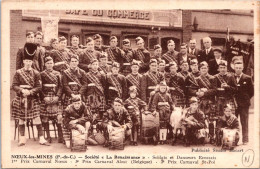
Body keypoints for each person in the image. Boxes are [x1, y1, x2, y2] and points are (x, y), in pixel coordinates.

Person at [12, 43, 49, 146]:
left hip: (33, 98)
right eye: (26, 61)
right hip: (20, 97)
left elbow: (39, 87)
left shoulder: (36, 73)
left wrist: (31, 92)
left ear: (32, 62)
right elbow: (14, 85)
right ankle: (22, 138)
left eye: (30, 61)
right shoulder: (18, 72)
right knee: (21, 118)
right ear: (23, 62)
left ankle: (41, 138)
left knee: (37, 117)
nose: (28, 63)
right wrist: (21, 90)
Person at [40, 56, 63, 143]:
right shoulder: (41, 74)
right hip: (46, 97)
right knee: (45, 117)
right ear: (45, 64)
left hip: (55, 96)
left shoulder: (57, 73)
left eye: (51, 63)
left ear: (53, 64)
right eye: (48, 63)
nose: (50, 65)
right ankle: (48, 136)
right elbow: (40, 87)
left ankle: (60, 136)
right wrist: (44, 97)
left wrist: (57, 96)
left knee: (59, 116)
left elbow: (61, 86)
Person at [233, 61, 254, 145]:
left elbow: (251, 92)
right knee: (233, 122)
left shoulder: (247, 78)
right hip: (234, 103)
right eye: (236, 68)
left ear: (242, 68)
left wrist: (245, 99)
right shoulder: (231, 77)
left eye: (240, 68)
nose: (238, 69)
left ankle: (245, 139)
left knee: (244, 121)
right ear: (234, 68)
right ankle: (234, 139)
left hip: (244, 104)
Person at [196, 61, 217, 143]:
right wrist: (197, 92)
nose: (204, 69)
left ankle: (212, 137)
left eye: (205, 68)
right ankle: (201, 136)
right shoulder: (197, 79)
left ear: (208, 68)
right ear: (199, 69)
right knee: (200, 119)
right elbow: (193, 89)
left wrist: (204, 92)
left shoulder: (212, 78)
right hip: (200, 102)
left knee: (211, 121)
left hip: (210, 101)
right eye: (202, 68)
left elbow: (215, 90)